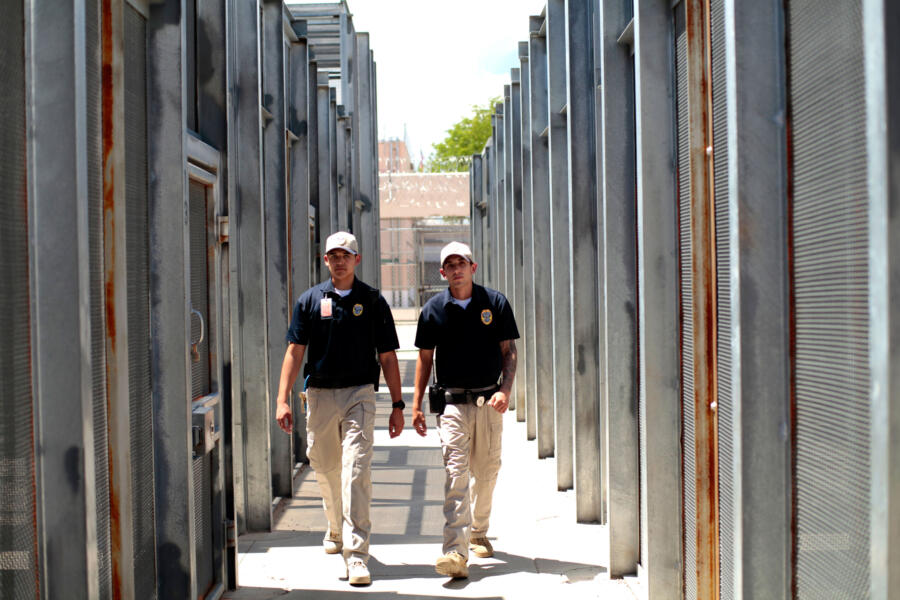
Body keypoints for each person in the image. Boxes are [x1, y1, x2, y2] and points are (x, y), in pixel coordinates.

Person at [275, 231, 405, 586]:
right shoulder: (310, 300)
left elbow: (388, 357)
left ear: (357, 260)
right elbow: (294, 351)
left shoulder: (373, 301)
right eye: (334, 255)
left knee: (355, 471)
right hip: (318, 395)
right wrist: (281, 399)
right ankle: (335, 527)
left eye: (346, 254)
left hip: (359, 395)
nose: (340, 260)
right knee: (325, 466)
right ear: (325, 260)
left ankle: (357, 554)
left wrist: (397, 404)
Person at [411, 241, 519, 579]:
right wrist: (414, 406)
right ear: (442, 272)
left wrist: (505, 390)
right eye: (450, 265)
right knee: (456, 475)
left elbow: (509, 351)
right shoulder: (433, 310)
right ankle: (454, 551)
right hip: (453, 405)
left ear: (473, 267)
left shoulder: (495, 303)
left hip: (489, 402)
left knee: (486, 473)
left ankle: (478, 531)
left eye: (462, 263)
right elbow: (425, 359)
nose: (457, 269)